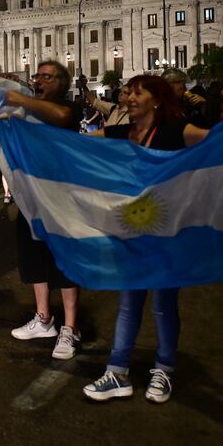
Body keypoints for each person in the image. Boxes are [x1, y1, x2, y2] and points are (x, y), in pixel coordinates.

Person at [82, 74, 209, 404]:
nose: (130, 98)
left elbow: (213, 141)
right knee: (128, 302)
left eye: (139, 93)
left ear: (156, 100)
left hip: (167, 231)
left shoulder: (175, 131)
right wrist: (24, 132)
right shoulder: (122, 133)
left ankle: (164, 368)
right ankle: (117, 371)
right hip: (132, 230)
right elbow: (78, 143)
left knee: (164, 303)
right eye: (129, 93)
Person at [4, 61, 84, 360]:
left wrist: (23, 97)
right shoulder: (30, 108)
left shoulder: (68, 108)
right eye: (37, 76)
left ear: (62, 83)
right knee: (33, 255)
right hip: (32, 196)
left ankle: (71, 328)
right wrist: (5, 88)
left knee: (62, 259)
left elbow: (62, 117)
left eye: (47, 77)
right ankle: (44, 319)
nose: (39, 81)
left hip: (62, 196)